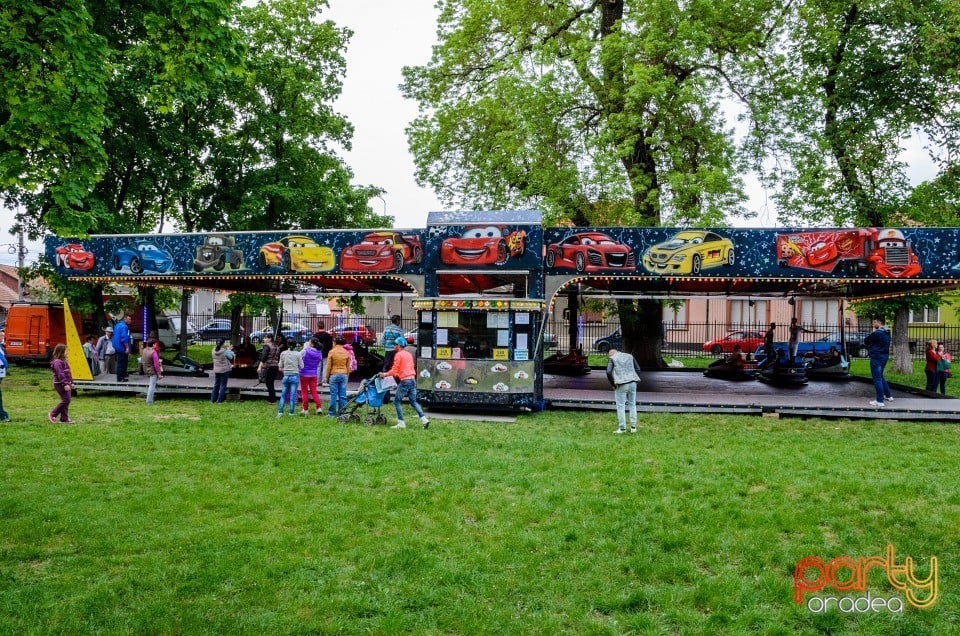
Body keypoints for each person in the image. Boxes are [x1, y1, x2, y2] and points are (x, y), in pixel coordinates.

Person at [379, 336, 429, 429]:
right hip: (412, 379)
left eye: (395, 344)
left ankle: (401, 422)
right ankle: (424, 419)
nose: (394, 346)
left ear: (399, 345)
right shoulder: (408, 354)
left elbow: (394, 370)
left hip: (405, 381)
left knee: (397, 401)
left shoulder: (398, 355)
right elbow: (408, 367)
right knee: (413, 401)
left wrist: (384, 374)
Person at [606, 347, 642, 434]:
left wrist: (613, 384)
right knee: (632, 404)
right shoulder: (630, 356)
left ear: (611, 354)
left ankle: (622, 428)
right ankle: (633, 427)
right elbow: (638, 369)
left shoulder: (612, 358)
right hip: (633, 382)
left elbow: (608, 372)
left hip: (621, 383)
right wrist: (634, 378)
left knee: (620, 406)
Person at [864, 316, 893, 407]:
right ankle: (888, 395)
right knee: (880, 376)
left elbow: (866, 340)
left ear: (879, 322)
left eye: (874, 322)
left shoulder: (878, 333)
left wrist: (874, 331)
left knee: (877, 378)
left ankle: (879, 401)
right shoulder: (887, 332)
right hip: (884, 356)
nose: (873, 324)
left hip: (876, 356)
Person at [325, 337, 352, 417]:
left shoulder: (331, 352)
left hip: (334, 374)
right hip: (344, 374)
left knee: (333, 394)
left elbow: (328, 366)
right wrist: (347, 376)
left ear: (335, 343)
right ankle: (342, 412)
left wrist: (327, 377)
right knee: (343, 394)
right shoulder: (346, 352)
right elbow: (348, 366)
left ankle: (332, 413)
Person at [277, 337, 303, 417]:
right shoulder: (298, 354)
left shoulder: (283, 353)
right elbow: (301, 366)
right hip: (294, 376)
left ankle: (280, 412)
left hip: (286, 375)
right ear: (295, 345)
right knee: (293, 395)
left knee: (283, 394)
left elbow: (280, 365)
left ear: (287, 345)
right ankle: (291, 412)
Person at [49, 343, 75, 423]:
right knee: (66, 400)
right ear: (61, 352)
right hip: (60, 384)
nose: (67, 352)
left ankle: (64, 418)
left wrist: (71, 382)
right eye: (66, 351)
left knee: (67, 400)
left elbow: (68, 373)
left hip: (67, 383)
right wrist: (65, 384)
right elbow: (60, 374)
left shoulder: (64, 361)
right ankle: (52, 414)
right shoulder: (57, 362)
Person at [299, 337, 323, 415]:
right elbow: (318, 364)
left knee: (304, 392)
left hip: (304, 374)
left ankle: (305, 409)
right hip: (314, 374)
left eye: (309, 341)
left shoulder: (305, 351)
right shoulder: (319, 353)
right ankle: (319, 407)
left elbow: (299, 358)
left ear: (312, 344)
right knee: (314, 391)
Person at [257, 334, 280, 403]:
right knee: (271, 383)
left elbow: (264, 357)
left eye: (265, 338)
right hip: (275, 366)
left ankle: (272, 400)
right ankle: (272, 398)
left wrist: (259, 366)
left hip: (269, 366)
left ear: (270, 339)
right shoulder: (277, 346)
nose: (264, 339)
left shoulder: (267, 346)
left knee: (269, 383)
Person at [210, 339, 235, 403]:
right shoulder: (224, 351)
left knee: (216, 384)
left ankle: (213, 399)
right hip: (224, 370)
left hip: (216, 369)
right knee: (223, 385)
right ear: (223, 343)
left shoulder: (213, 350)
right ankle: (219, 400)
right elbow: (231, 357)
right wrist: (229, 350)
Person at [142, 338, 163, 404]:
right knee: (152, 385)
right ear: (153, 345)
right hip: (152, 370)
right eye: (155, 344)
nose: (156, 345)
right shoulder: (153, 353)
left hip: (145, 369)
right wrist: (159, 374)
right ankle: (149, 401)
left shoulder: (144, 350)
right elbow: (156, 365)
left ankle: (150, 399)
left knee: (152, 384)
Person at [112, 313, 132, 382]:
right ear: (125, 319)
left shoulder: (117, 325)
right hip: (122, 347)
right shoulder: (124, 326)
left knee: (120, 362)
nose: (130, 320)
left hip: (117, 347)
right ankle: (120, 378)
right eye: (129, 319)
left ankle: (122, 376)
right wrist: (127, 348)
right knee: (122, 363)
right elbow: (124, 338)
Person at [0, 334, 10, 422]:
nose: (2, 338)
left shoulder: (1, 347)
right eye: (1, 336)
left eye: (3, 336)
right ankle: (2, 415)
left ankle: (2, 415)